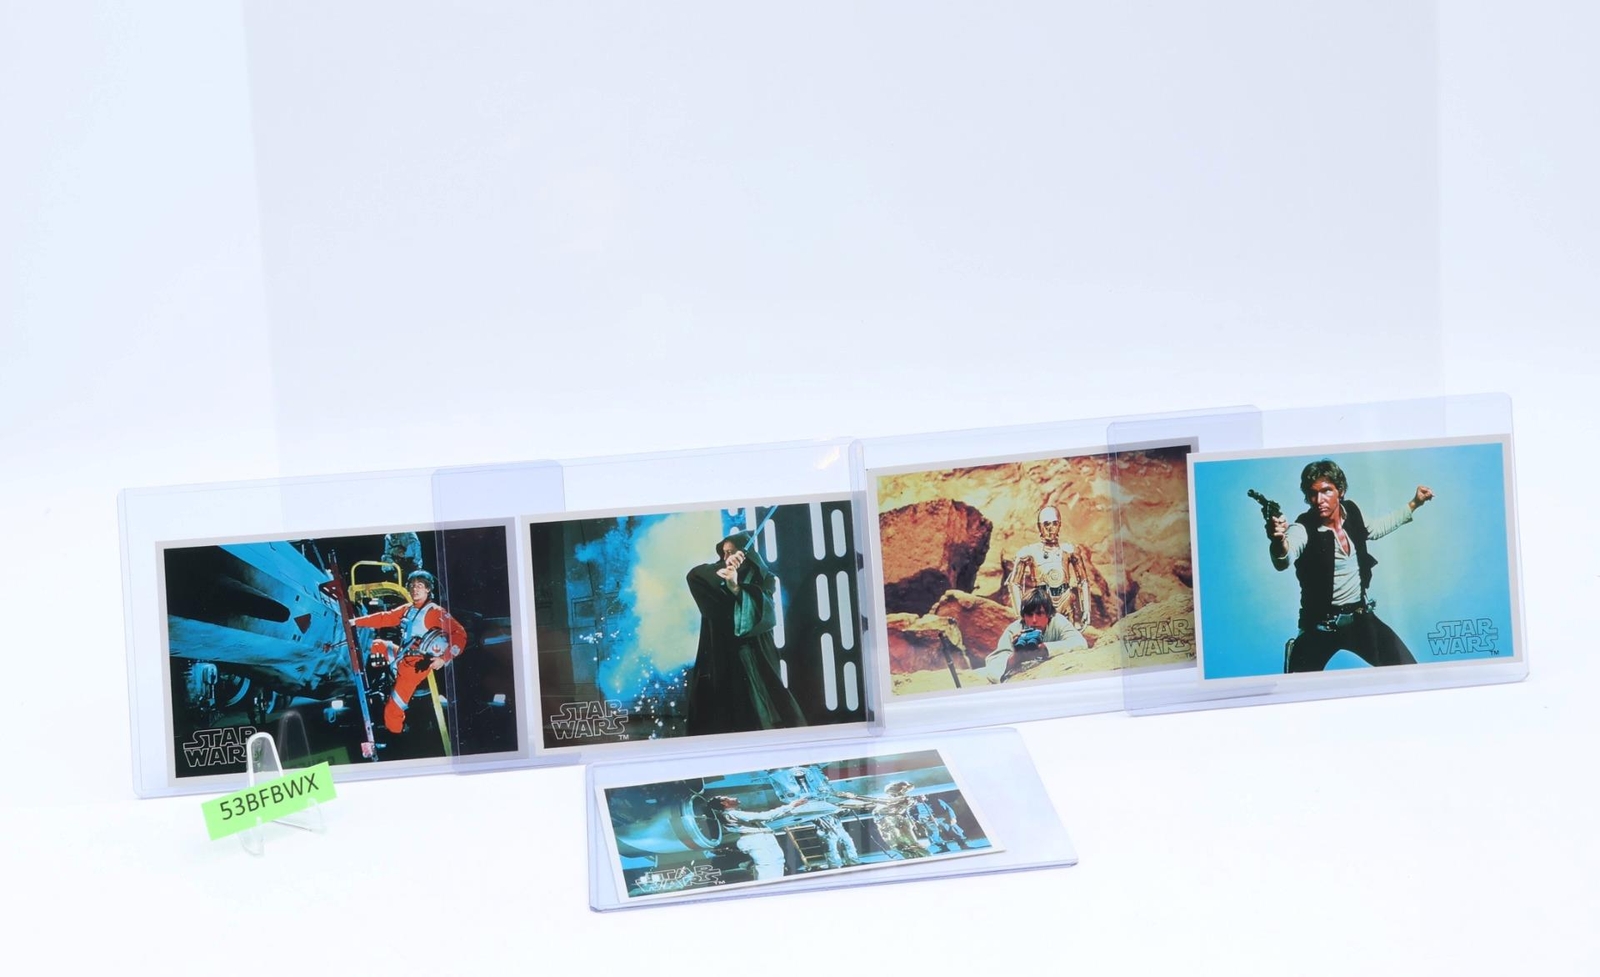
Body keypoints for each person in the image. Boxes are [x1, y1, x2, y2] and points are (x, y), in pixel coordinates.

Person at [1267, 459, 1434, 673]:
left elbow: (1376, 528)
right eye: (1313, 493)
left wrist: (1414, 503)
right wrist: (1278, 540)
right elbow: (1284, 558)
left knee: (1409, 671)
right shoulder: (1302, 528)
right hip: (1319, 628)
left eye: (1326, 491)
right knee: (1297, 687)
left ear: (1341, 491)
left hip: (1360, 619)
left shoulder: (1353, 512)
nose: (1319, 500)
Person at [683, 532, 807, 736]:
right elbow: (694, 577)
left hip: (755, 650)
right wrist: (725, 570)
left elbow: (764, 612)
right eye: (724, 553)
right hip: (722, 649)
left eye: (732, 552)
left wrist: (736, 588)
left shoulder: (765, 578)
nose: (727, 556)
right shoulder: (718, 573)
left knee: (762, 701)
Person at [349, 569, 466, 734]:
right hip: (402, 655)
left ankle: (397, 734)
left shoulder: (435, 612)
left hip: (415, 666)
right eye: (412, 585)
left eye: (420, 586)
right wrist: (355, 622)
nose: (414, 589)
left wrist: (443, 658)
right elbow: (385, 617)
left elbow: (460, 634)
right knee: (376, 645)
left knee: (392, 710)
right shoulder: (409, 609)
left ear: (428, 589)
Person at [1005, 504, 1092, 627]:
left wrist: (1086, 609)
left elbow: (1083, 580)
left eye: (1055, 523)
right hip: (1042, 603)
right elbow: (1014, 583)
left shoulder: (1069, 550)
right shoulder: (1029, 552)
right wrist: (1021, 614)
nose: (1051, 528)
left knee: (1066, 635)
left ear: (1059, 525)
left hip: (1066, 602)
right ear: (1039, 526)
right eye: (1046, 524)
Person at [983, 586, 1089, 684]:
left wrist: (1045, 649)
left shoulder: (1057, 621)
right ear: (1023, 616)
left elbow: (1080, 643)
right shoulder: (1014, 630)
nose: (1034, 620)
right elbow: (992, 667)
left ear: (1049, 614)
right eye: (1029, 614)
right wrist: (1017, 656)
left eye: (1039, 613)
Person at [768, 765, 865, 870]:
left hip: (839, 829)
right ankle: (834, 866)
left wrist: (845, 809)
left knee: (848, 844)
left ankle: (853, 862)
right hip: (827, 832)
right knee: (831, 849)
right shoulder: (813, 811)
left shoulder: (829, 807)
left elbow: (838, 813)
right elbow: (812, 816)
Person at [707, 795, 803, 881]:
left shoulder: (734, 814)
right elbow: (764, 816)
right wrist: (791, 805)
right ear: (724, 803)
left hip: (761, 838)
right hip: (757, 840)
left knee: (774, 865)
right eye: (728, 798)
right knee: (769, 867)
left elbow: (764, 819)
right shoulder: (732, 814)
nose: (734, 798)